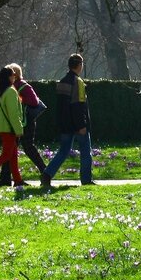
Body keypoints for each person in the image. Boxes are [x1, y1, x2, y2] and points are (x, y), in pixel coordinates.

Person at [41, 53, 93, 188]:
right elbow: (78, 105)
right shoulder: (79, 82)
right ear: (79, 65)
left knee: (63, 151)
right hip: (77, 124)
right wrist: (82, 124)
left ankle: (47, 174)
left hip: (65, 123)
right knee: (85, 151)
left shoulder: (62, 81)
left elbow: (62, 105)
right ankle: (86, 180)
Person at [0, 63, 47, 184]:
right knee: (10, 149)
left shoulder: (24, 86)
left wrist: (19, 100)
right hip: (16, 122)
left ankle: (45, 171)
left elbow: (34, 102)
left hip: (26, 122)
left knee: (27, 147)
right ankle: (5, 178)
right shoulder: (9, 88)